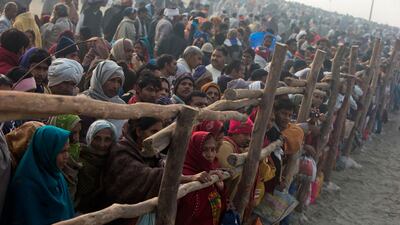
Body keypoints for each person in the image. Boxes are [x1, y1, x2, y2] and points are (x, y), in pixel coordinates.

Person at [3, 126, 74, 225]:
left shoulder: (57, 175)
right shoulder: (25, 185)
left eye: (67, 150)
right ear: (46, 151)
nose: (67, 156)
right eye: (62, 151)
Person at [175, 131, 226, 225]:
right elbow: (187, 214)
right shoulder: (184, 175)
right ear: (194, 151)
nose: (210, 155)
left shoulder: (212, 171)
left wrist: (221, 189)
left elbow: (221, 209)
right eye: (204, 150)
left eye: (213, 149)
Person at [76, 120, 117, 213]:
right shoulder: (78, 161)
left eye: (107, 139)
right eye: (97, 138)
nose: (102, 145)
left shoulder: (116, 162)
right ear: (89, 138)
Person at [217, 118, 254, 200]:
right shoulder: (225, 146)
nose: (248, 138)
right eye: (244, 134)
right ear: (234, 132)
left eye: (249, 135)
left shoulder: (237, 148)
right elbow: (228, 172)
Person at [48, 114, 82, 201]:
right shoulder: (47, 162)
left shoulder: (79, 150)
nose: (77, 138)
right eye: (72, 133)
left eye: (79, 132)